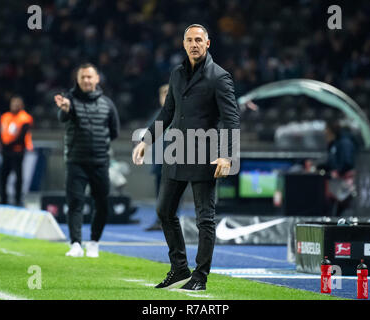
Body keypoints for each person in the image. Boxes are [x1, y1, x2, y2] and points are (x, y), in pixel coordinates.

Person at [132, 24, 240, 291]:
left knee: (205, 218)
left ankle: (200, 277)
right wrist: (146, 140)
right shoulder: (177, 74)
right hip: (176, 152)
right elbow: (166, 113)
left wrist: (227, 155)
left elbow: (232, 119)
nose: (194, 44)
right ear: (183, 44)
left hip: (206, 155)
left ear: (208, 43)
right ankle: (180, 268)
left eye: (199, 40)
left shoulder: (219, 77)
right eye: (190, 40)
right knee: (164, 211)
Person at [55, 63, 120, 258]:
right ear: (77, 79)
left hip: (100, 162)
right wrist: (65, 109)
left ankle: (94, 242)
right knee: (75, 202)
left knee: (102, 204)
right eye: (83, 77)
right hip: (76, 161)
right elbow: (62, 117)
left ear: (97, 79)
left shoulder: (107, 104)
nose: (86, 80)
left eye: (90, 77)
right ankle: (75, 243)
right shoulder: (69, 101)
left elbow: (115, 131)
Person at [0, 96, 33, 206]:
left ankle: (17, 199)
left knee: (18, 176)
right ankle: (3, 199)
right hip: (6, 151)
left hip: (17, 151)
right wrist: (3, 145)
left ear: (21, 106)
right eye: (13, 104)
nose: (15, 106)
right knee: (3, 175)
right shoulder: (5, 116)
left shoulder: (25, 118)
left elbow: (22, 136)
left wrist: (7, 145)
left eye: (17, 104)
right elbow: (1, 132)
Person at [145, 83, 168, 231]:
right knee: (159, 193)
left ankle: (169, 221)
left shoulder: (180, 114)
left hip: (174, 162)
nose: (165, 98)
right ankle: (159, 219)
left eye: (168, 94)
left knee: (172, 194)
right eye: (163, 95)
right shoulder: (157, 114)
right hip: (159, 162)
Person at [323, 121, 358, 216]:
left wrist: (338, 172)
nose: (324, 132)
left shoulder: (345, 143)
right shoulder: (333, 144)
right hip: (336, 184)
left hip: (345, 184)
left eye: (326, 130)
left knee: (345, 209)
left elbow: (347, 163)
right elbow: (331, 162)